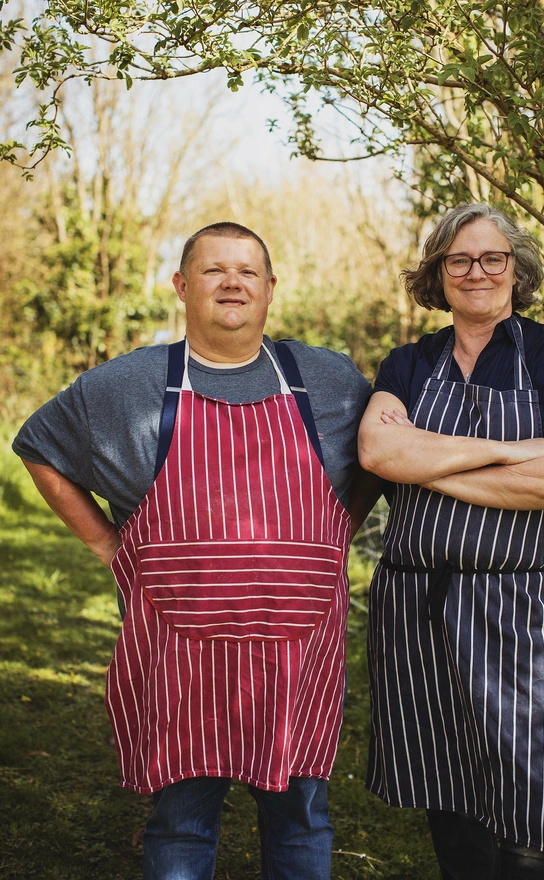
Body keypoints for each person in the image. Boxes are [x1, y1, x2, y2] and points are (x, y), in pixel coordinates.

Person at [13, 222, 377, 880]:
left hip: (298, 652)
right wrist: (104, 544)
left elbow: (379, 460)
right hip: (183, 658)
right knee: (182, 822)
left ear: (270, 289)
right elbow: (40, 444)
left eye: (247, 271)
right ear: (181, 286)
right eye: (214, 270)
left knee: (301, 819)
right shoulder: (131, 384)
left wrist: (335, 533)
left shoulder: (331, 380)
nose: (232, 282)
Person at [357, 203, 544, 880]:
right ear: (438, 273)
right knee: (449, 795)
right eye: (459, 259)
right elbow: (378, 452)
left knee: (535, 794)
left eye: (492, 257)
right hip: (416, 609)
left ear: (517, 268)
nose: (476, 271)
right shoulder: (409, 363)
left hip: (521, 611)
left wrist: (429, 467)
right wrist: (511, 452)